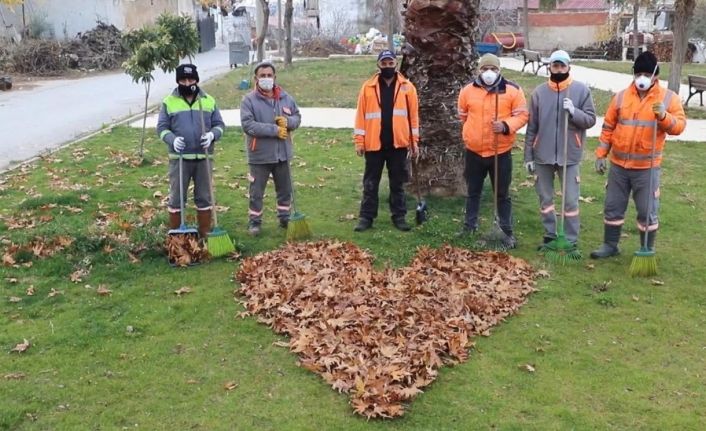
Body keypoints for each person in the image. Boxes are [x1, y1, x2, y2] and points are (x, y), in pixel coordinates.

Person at [590, 51, 686, 259]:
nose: (642, 77)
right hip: (619, 166)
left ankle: (647, 248)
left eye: (646, 73)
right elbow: (608, 127)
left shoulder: (669, 98)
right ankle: (610, 245)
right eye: (638, 73)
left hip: (647, 168)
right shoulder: (621, 97)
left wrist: (664, 116)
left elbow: (678, 127)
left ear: (655, 75)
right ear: (633, 74)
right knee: (613, 207)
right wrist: (600, 154)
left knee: (647, 210)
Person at [524, 50, 597, 249]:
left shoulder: (581, 91)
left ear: (568, 67)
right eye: (555, 65)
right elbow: (532, 127)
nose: (558, 69)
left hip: (569, 155)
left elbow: (590, 120)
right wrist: (528, 156)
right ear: (550, 67)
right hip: (543, 155)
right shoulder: (539, 92)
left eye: (562, 66)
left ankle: (570, 240)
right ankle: (550, 235)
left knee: (571, 201)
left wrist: (574, 112)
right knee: (545, 198)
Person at [456, 53, 528, 248]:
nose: (489, 73)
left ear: (499, 70)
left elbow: (522, 115)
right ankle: (469, 227)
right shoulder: (467, 91)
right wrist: (471, 134)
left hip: (500, 152)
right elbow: (462, 115)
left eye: (493, 69)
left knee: (502, 194)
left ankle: (506, 231)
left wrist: (505, 125)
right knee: (473, 192)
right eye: (485, 69)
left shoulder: (512, 90)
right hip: (474, 152)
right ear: (478, 70)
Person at [353, 50, 420, 232]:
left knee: (397, 183)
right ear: (379, 65)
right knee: (370, 183)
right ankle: (366, 218)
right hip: (374, 144)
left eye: (391, 63)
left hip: (398, 144)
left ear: (396, 65)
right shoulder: (368, 88)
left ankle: (399, 216)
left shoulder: (407, 88)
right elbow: (360, 117)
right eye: (384, 64)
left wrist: (414, 142)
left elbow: (413, 118)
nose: (388, 66)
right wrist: (359, 141)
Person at [157, 63, 225, 238]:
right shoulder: (168, 102)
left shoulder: (208, 100)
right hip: (179, 158)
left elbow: (220, 125)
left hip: (204, 157)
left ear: (196, 80)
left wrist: (212, 135)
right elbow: (162, 128)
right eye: (183, 79)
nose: (187, 83)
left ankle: (204, 234)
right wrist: (172, 139)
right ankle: (178, 237)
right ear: (178, 81)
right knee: (177, 198)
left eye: (191, 79)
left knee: (204, 197)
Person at [241, 61, 301, 236]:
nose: (266, 78)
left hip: (282, 153)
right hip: (259, 155)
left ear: (275, 77)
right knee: (256, 192)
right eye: (262, 76)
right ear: (256, 78)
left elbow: (297, 117)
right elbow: (248, 125)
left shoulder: (286, 98)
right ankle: (255, 222)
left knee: (285, 189)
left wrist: (288, 122)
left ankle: (284, 218)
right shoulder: (248, 101)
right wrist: (275, 130)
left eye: (269, 75)